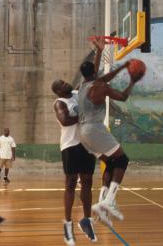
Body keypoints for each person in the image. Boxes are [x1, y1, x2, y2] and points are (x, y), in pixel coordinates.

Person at [51, 38, 104, 245]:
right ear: (58, 91)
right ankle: (67, 223)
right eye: (61, 84)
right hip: (71, 146)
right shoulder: (60, 103)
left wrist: (98, 52)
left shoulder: (78, 92)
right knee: (71, 183)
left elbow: (93, 74)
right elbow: (65, 121)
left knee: (88, 182)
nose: (65, 83)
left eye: (64, 81)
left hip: (87, 144)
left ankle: (87, 220)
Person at [78, 58, 142, 226]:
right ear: (95, 72)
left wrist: (121, 67)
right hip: (95, 129)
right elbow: (122, 97)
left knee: (111, 163)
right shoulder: (100, 86)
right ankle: (109, 200)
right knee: (122, 160)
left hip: (83, 133)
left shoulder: (82, 86)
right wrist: (132, 81)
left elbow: (104, 78)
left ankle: (101, 205)